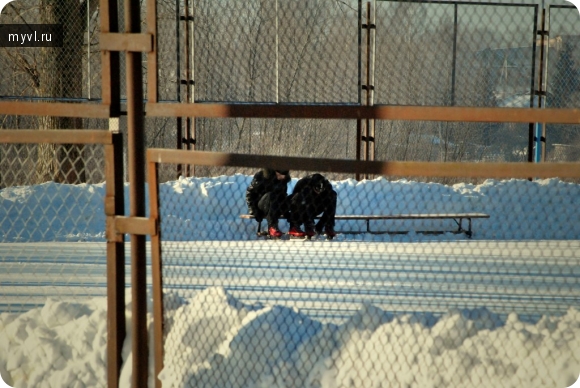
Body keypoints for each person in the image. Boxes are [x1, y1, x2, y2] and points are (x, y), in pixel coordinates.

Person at [246, 168, 292, 238]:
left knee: (293, 197)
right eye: (280, 175)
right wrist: (253, 210)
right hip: (262, 205)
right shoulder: (261, 176)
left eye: (284, 175)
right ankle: (272, 227)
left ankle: (294, 227)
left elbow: (283, 194)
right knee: (271, 195)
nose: (282, 177)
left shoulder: (283, 180)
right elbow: (250, 193)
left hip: (276, 205)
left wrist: (286, 210)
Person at [288, 173, 337, 238]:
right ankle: (299, 226)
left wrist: (321, 224)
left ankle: (328, 225)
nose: (318, 192)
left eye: (321, 191)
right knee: (302, 195)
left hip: (317, 206)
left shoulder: (327, 186)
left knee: (333, 195)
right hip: (302, 208)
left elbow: (330, 202)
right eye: (317, 190)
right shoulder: (304, 183)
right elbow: (294, 202)